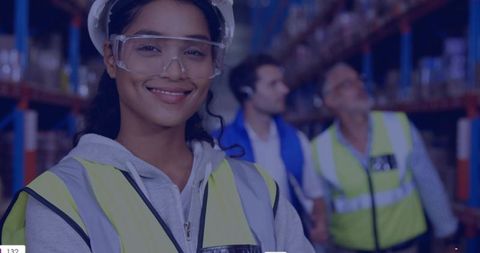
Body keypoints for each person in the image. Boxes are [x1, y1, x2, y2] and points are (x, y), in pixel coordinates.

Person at [0, 1, 316, 252]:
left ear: (214, 64)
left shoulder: (258, 191)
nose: (175, 71)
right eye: (150, 48)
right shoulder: (61, 200)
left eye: (194, 52)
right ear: (112, 57)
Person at [311, 63, 461, 253]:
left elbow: (429, 184)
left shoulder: (399, 127)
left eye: (360, 80)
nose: (360, 87)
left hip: (405, 249)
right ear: (330, 100)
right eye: (348, 84)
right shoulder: (319, 149)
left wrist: (449, 236)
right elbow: (321, 215)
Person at [213, 54, 328, 244]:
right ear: (247, 92)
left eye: (282, 82)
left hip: (289, 242)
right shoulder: (219, 144)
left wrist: (320, 224)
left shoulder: (296, 140)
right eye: (273, 84)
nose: (284, 89)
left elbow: (315, 194)